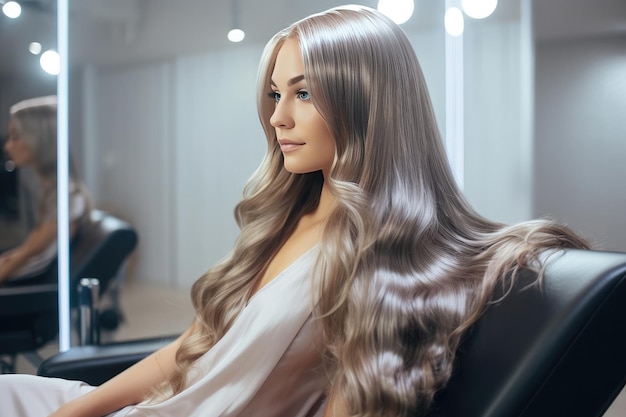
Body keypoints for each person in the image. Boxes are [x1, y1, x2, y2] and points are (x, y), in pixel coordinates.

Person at [0, 5, 588, 417]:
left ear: (365, 101)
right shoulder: (288, 218)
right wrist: (74, 410)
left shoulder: (374, 262)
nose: (278, 116)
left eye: (303, 93)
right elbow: (195, 345)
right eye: (277, 94)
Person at [0, 95, 91, 283]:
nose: (8, 146)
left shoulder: (67, 196)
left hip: (26, 290)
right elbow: (25, 251)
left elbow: (31, 253)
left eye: (15, 137)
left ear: (39, 139)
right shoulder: (53, 193)